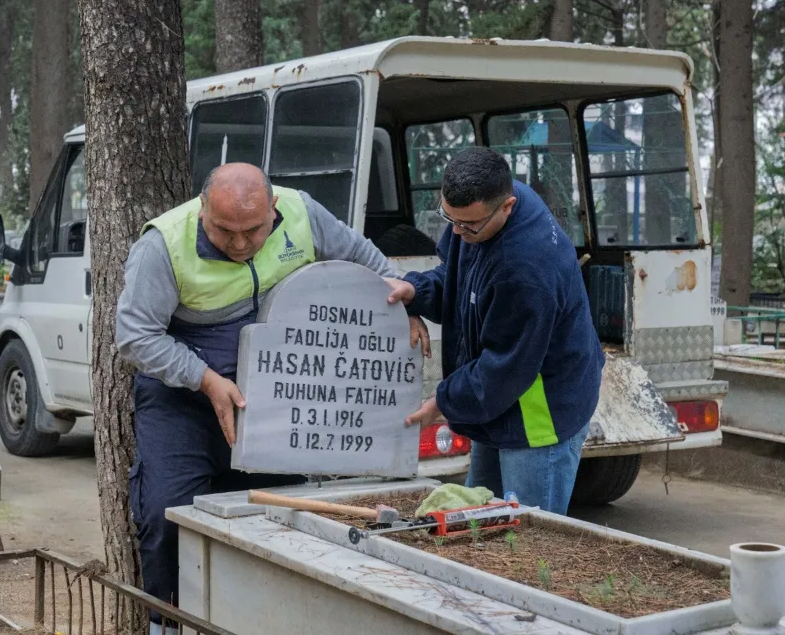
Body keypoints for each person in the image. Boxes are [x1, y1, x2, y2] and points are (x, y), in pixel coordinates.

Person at [116, 162, 402, 633]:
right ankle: (165, 625)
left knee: (281, 513)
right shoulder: (162, 245)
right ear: (202, 210)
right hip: (183, 397)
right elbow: (134, 336)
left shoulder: (303, 212)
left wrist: (400, 305)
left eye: (254, 230)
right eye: (224, 230)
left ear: (273, 210)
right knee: (166, 513)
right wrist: (204, 378)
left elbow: (368, 263)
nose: (241, 243)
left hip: (270, 396)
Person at [386, 147, 605, 515]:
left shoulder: (526, 269)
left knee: (530, 538)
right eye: (449, 219)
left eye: (468, 226)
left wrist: (442, 401)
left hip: (538, 411)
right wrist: (417, 292)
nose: (457, 232)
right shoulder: (482, 208)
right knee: (480, 521)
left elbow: (504, 367)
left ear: (507, 206)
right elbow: (464, 284)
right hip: (496, 403)